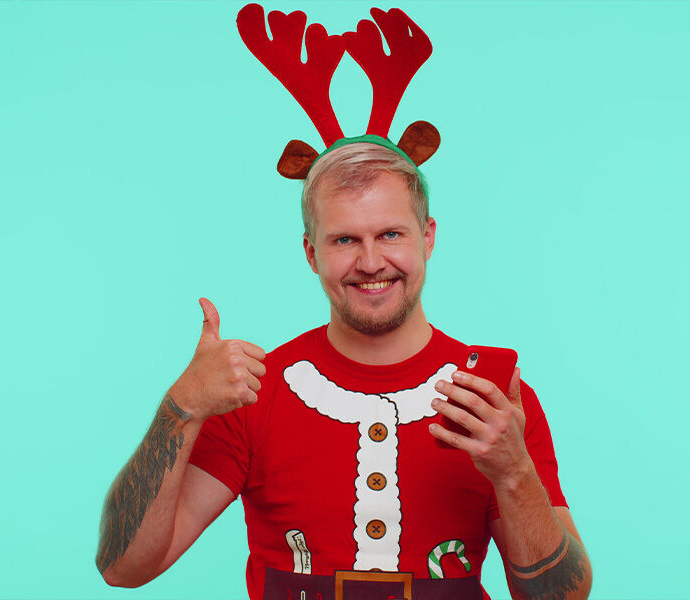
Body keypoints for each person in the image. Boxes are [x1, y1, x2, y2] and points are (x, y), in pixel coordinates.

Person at [96, 142, 593, 599]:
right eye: (344, 240)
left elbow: (563, 597)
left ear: (427, 237)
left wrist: (514, 473)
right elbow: (124, 567)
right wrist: (180, 408)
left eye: (390, 234)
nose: (371, 262)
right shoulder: (253, 392)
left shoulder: (494, 401)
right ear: (312, 253)